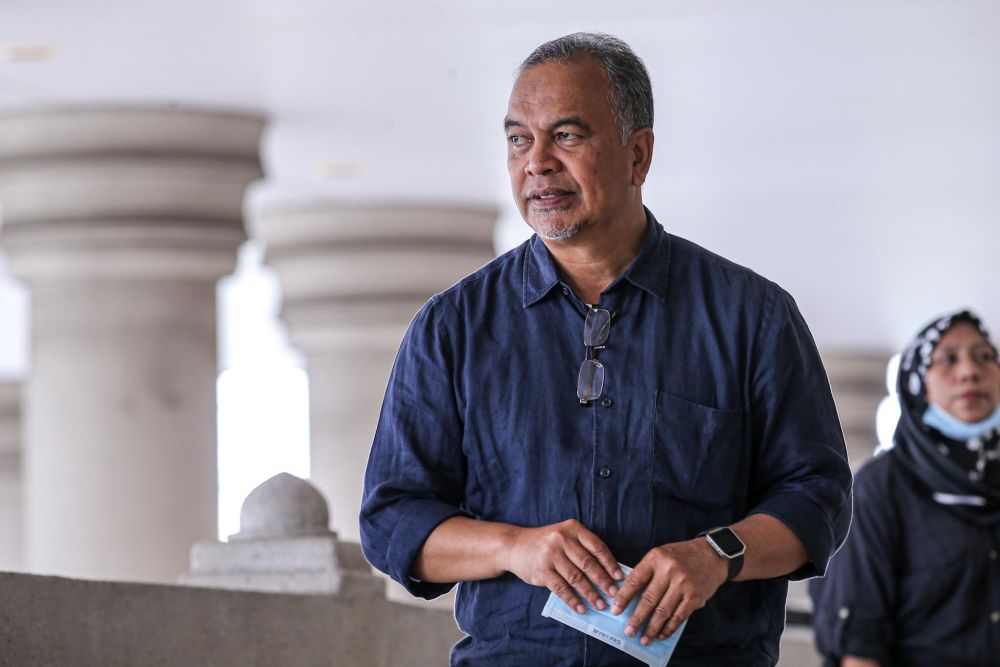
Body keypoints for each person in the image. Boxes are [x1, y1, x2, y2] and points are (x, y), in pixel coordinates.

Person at [360, 32, 852, 666]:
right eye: (518, 139)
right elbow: (392, 520)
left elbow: (817, 497)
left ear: (637, 155)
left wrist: (716, 555)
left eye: (567, 135)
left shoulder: (751, 316)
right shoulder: (451, 328)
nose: (536, 162)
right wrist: (515, 547)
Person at [810, 310, 1000, 666]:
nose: (969, 372)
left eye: (984, 357)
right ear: (916, 382)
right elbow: (859, 647)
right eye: (947, 359)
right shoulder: (881, 487)